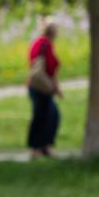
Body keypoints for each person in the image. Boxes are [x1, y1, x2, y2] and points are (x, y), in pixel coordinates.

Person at [26, 20, 63, 159]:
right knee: (45, 117)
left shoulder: (38, 42)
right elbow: (51, 67)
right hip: (42, 87)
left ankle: (43, 147)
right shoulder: (46, 44)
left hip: (35, 86)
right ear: (52, 31)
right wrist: (57, 87)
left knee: (48, 116)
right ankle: (38, 148)